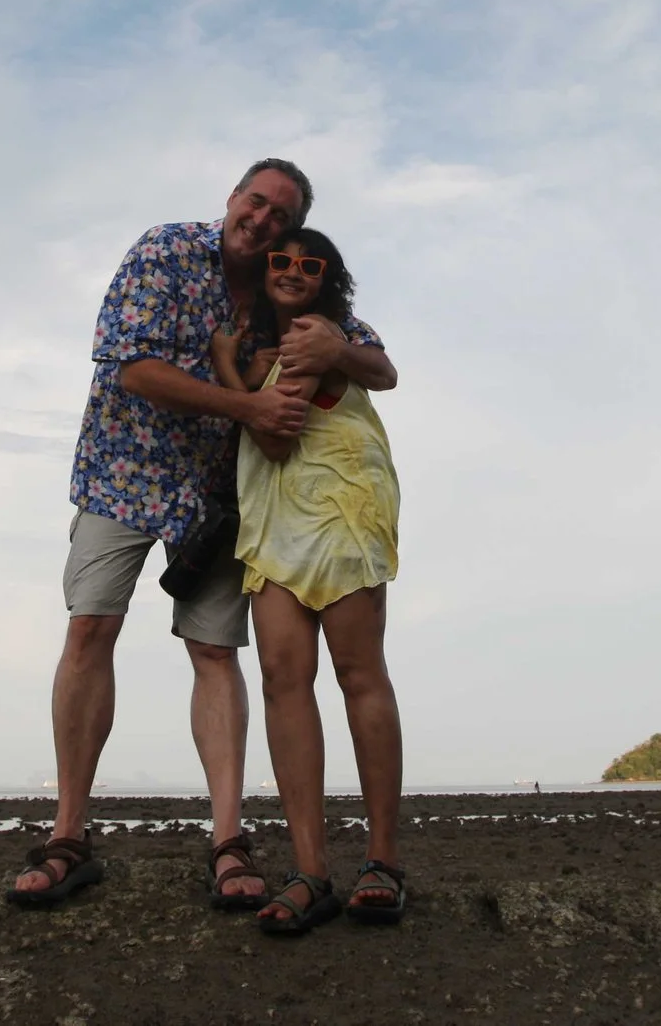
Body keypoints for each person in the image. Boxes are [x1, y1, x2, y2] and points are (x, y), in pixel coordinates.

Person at [7, 161, 397, 910]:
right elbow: (132, 368)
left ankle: (228, 840)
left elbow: (375, 360)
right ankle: (68, 836)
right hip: (122, 470)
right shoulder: (166, 251)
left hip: (222, 497)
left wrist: (329, 356)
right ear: (232, 199)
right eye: (255, 201)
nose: (262, 221)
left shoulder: (298, 284)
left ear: (295, 231)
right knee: (90, 629)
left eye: (280, 215)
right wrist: (245, 407)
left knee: (216, 652)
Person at [209, 227, 407, 933]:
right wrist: (238, 362)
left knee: (358, 673)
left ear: (328, 277)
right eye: (281, 262)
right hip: (275, 514)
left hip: (340, 505)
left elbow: (276, 431)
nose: (293, 271)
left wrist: (227, 373)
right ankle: (312, 870)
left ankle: (381, 860)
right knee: (282, 676)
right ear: (263, 272)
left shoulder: (322, 333)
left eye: (309, 263)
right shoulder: (270, 338)